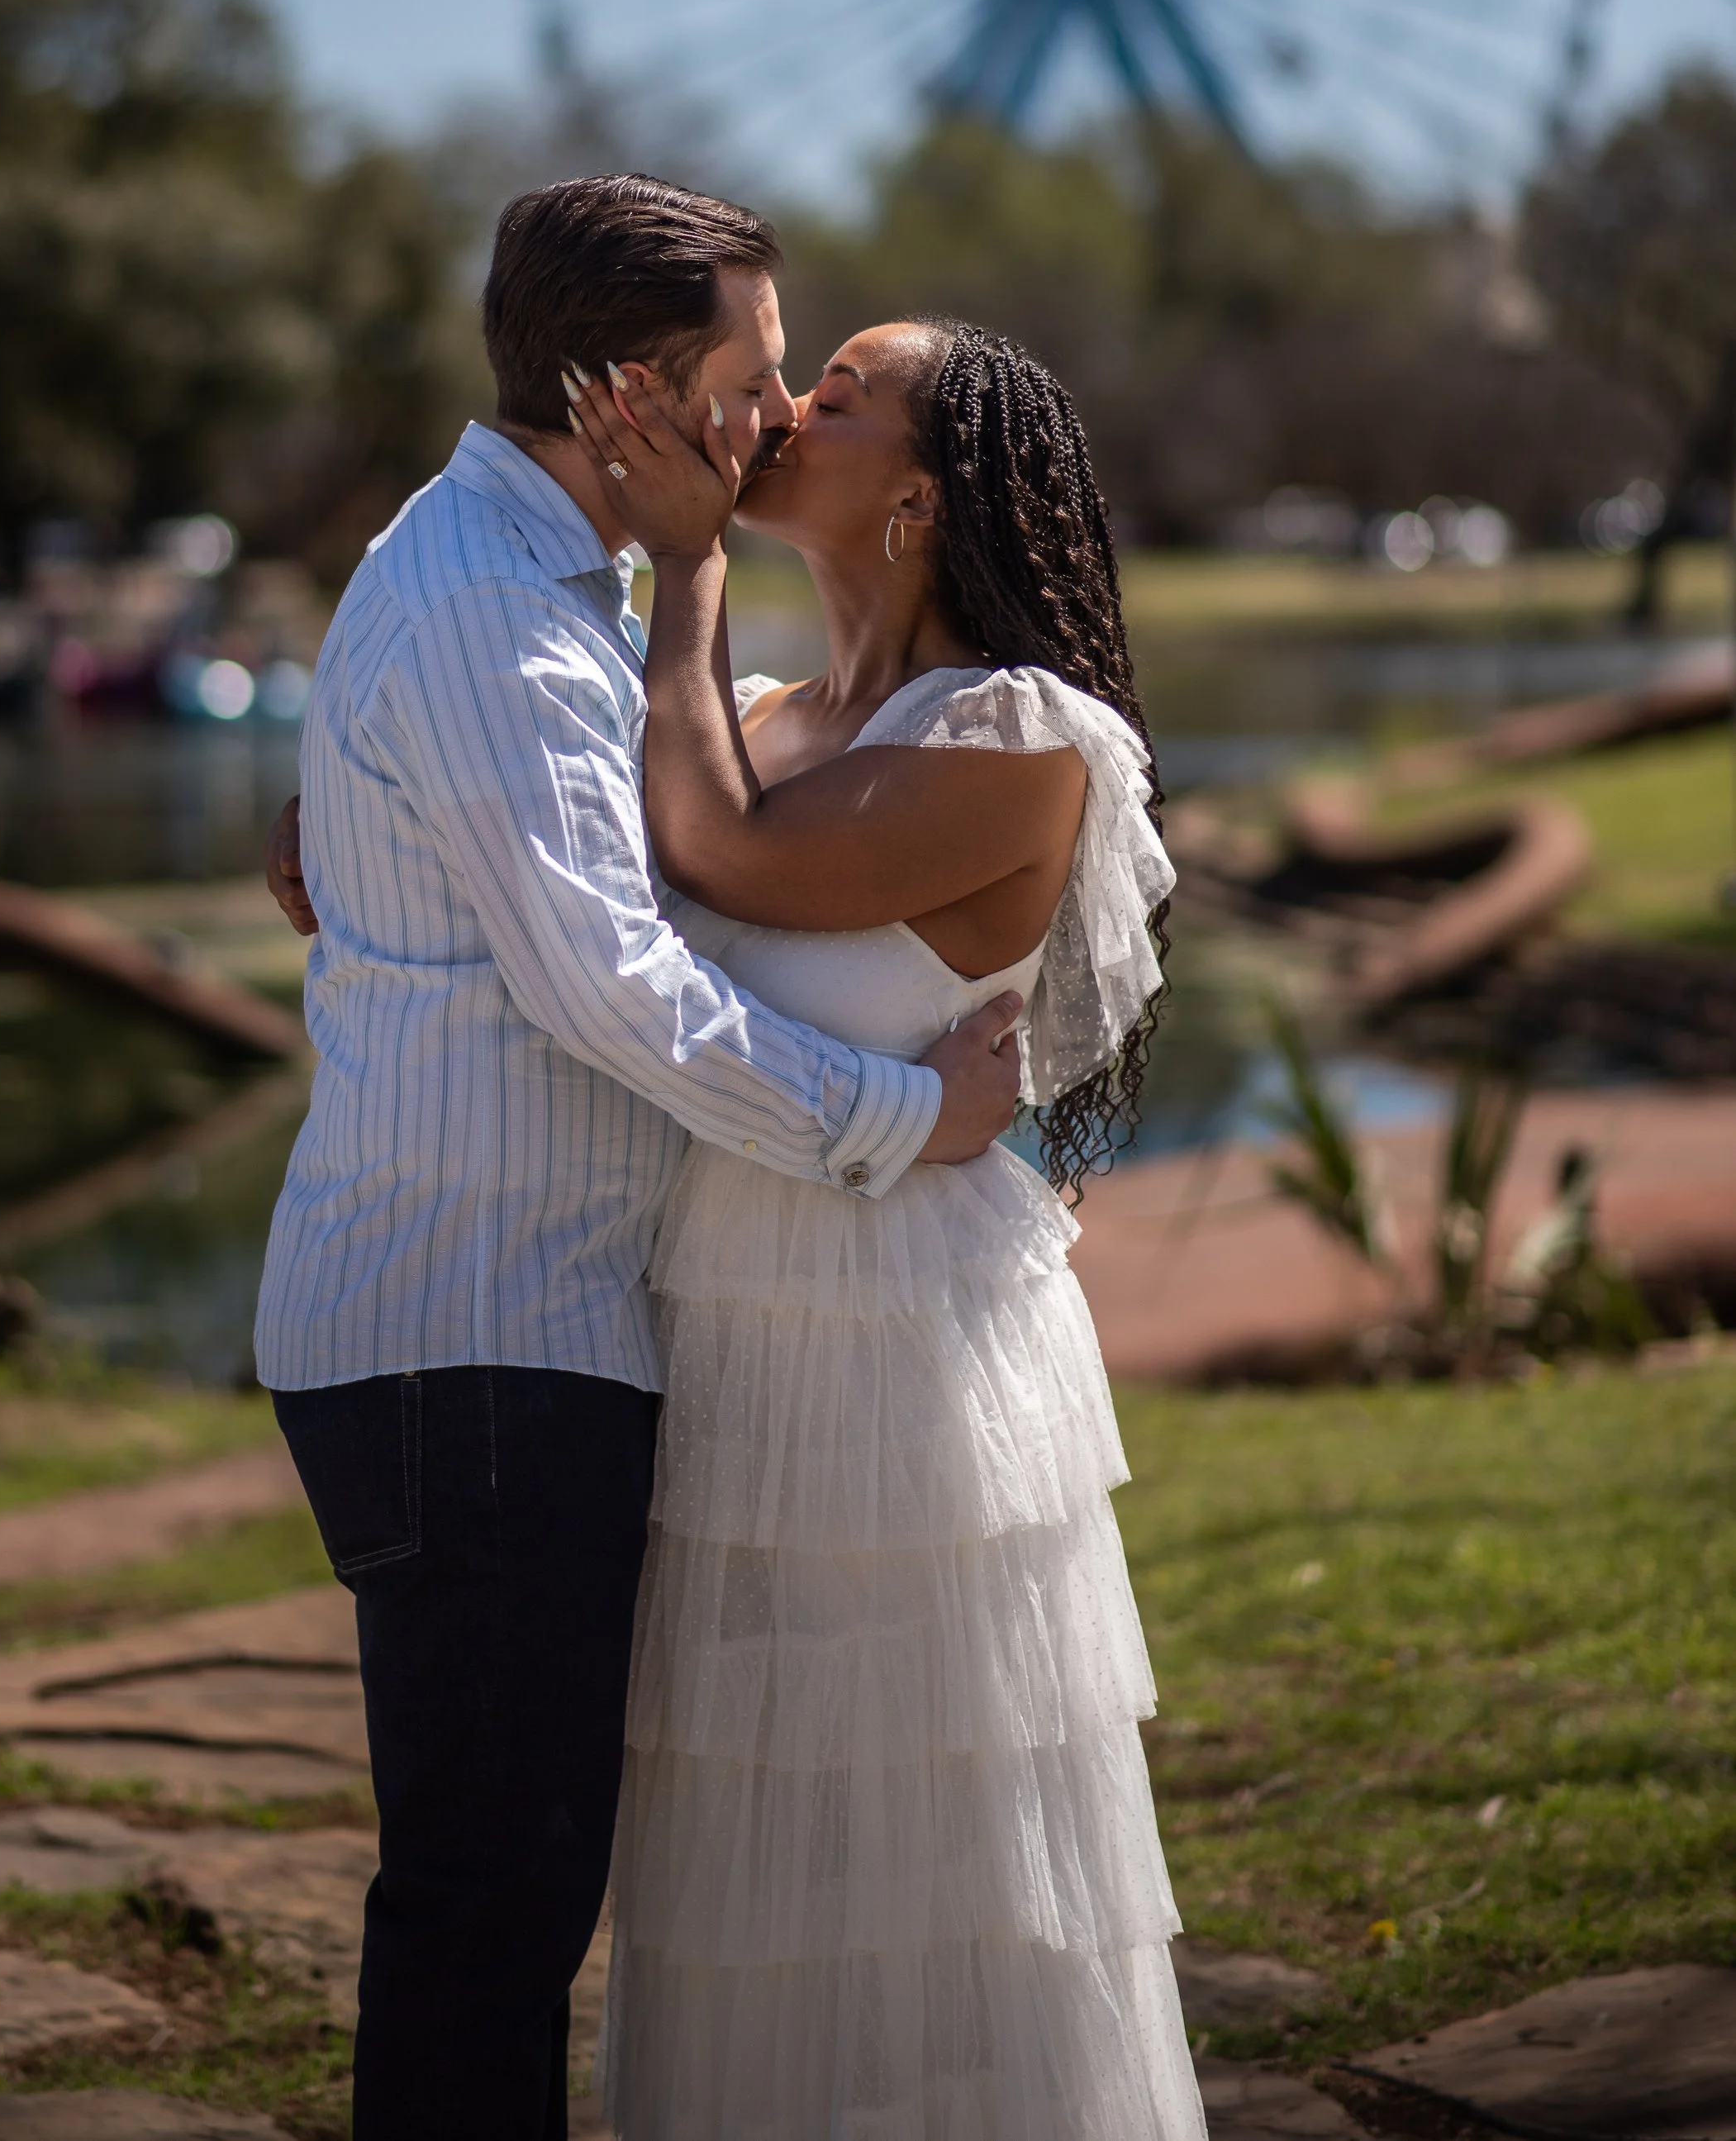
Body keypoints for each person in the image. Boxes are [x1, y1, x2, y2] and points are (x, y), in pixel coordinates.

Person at [254, 177, 1024, 2141]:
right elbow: (616, 994)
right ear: (624, 388)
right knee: (487, 1911)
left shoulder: (529, 586)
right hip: (472, 1339)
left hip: (497, 1335)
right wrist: (905, 1115)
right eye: (757, 375)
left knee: (498, 1901)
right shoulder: (492, 616)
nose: (774, 413)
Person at [563, 319, 1201, 2139]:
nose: (779, 408)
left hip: (907, 1365)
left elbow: (724, 858)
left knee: (929, 1841)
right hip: (718, 1337)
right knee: (746, 1854)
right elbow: (560, 872)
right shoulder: (760, 713)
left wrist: (677, 557)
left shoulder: (1012, 735)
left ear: (916, 497)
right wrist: (341, 839)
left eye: (835, 393)